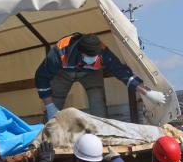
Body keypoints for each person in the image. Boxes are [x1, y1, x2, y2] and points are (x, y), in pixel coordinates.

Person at [35, 32, 166, 120]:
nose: (94, 58)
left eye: (95, 56)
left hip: (90, 72)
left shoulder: (103, 53)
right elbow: (41, 77)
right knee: (54, 105)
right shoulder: (59, 53)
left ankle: (101, 134)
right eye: (90, 57)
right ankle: (47, 139)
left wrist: (147, 93)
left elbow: (122, 73)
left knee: (98, 100)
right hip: (63, 72)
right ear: (81, 53)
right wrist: (49, 106)